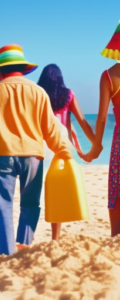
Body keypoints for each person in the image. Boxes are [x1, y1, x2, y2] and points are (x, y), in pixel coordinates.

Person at [0, 44, 72, 256]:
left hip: (2, 155)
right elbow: (50, 130)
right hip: (33, 156)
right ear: (24, 68)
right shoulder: (38, 92)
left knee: (3, 206)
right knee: (30, 204)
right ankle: (24, 243)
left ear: (0, 72)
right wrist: (65, 153)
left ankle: (5, 252)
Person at [37, 64, 96, 241]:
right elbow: (81, 122)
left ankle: (49, 237)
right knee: (61, 187)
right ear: (61, 78)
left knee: (49, 190)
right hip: (63, 146)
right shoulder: (68, 95)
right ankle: (56, 235)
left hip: (42, 146)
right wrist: (93, 145)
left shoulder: (39, 94)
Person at [80, 20, 120, 237]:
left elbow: (102, 117)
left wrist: (96, 146)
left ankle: (115, 235)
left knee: (116, 185)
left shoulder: (108, 76)